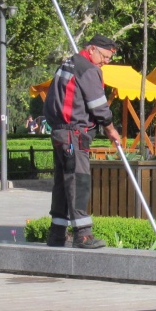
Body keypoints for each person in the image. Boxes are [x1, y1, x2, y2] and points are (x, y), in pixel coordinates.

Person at [42, 34, 123, 249]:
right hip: (74, 133)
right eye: (105, 56)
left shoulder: (67, 64)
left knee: (62, 183)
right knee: (79, 182)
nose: (106, 62)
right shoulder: (88, 69)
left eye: (109, 58)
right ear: (93, 49)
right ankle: (83, 235)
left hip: (60, 132)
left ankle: (57, 234)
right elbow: (99, 106)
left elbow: (51, 100)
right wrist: (111, 129)